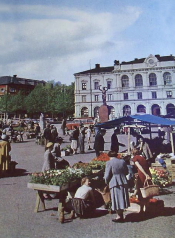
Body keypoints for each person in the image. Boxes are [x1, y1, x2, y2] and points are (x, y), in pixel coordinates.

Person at [104, 150, 130, 222]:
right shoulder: (122, 161)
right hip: (123, 180)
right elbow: (126, 172)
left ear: (109, 156)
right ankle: (121, 214)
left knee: (116, 198)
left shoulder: (109, 163)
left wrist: (106, 182)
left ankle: (119, 216)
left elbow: (107, 175)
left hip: (114, 181)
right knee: (122, 197)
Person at [132, 148, 152, 214]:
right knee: (146, 191)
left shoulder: (135, 158)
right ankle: (147, 207)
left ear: (133, 153)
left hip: (142, 175)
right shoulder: (143, 157)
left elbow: (139, 167)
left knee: (140, 192)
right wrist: (147, 174)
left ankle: (141, 209)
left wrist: (145, 174)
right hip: (148, 173)